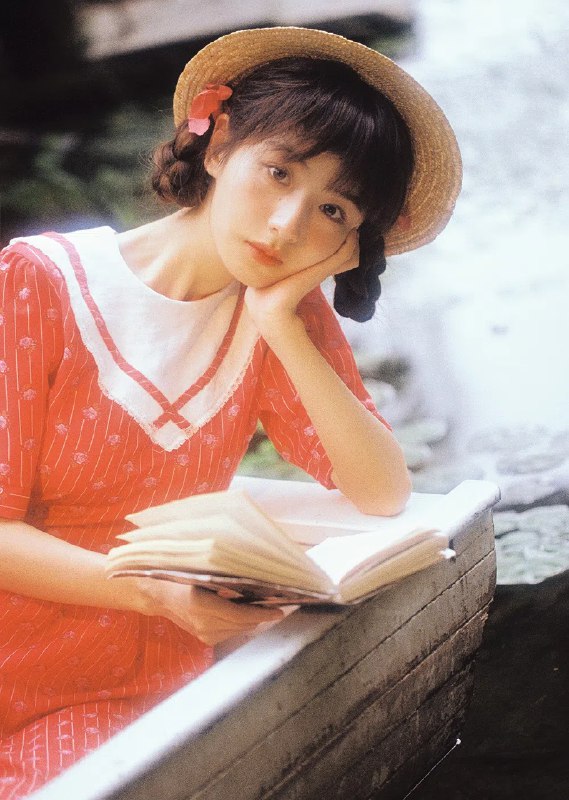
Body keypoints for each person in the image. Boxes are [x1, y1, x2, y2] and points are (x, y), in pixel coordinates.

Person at [0, 26, 461, 797]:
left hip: (130, 691)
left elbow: (381, 491)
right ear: (216, 146)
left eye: (333, 210)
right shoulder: (39, 282)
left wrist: (279, 320)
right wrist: (147, 590)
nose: (287, 225)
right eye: (277, 172)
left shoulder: (279, 315)